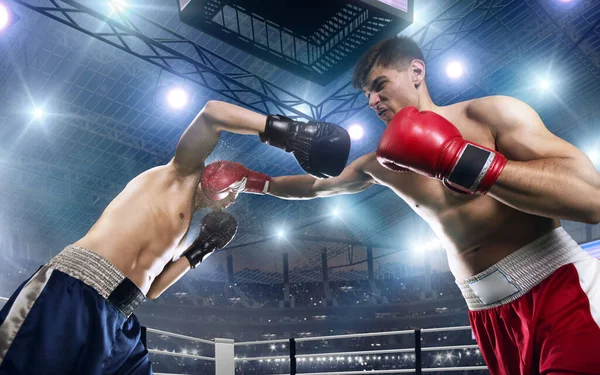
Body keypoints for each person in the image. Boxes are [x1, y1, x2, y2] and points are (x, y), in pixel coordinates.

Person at [201, 36, 600, 375]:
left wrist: (459, 159)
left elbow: (592, 198)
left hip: (558, 290)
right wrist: (256, 182)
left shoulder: (489, 115)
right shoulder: (381, 163)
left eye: (380, 84)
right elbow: (317, 188)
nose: (373, 100)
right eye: (367, 95)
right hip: (489, 316)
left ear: (416, 72)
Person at [0, 100, 351, 374]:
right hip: (74, 288)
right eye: (236, 192)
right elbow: (212, 114)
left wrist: (199, 250)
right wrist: (289, 132)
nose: (234, 201)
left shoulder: (183, 229)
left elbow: (151, 289)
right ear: (223, 181)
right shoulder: (178, 174)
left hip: (119, 316)